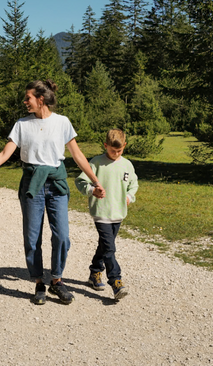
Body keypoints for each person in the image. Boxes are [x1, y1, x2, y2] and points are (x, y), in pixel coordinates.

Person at [0, 79, 105, 305]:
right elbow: (4, 154)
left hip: (56, 185)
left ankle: (57, 280)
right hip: (32, 186)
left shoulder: (62, 122)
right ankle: (39, 282)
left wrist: (96, 181)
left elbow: (78, 156)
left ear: (41, 99)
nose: (25, 102)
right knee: (32, 238)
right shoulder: (22, 124)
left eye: (28, 98)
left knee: (62, 236)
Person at [75, 129, 138, 300]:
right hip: (101, 212)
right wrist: (91, 190)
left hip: (118, 213)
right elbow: (80, 181)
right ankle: (116, 282)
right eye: (112, 150)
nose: (116, 153)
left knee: (104, 246)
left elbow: (134, 184)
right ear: (105, 146)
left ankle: (95, 272)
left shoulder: (127, 165)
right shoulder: (96, 163)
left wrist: (129, 196)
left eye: (119, 150)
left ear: (124, 146)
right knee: (110, 248)